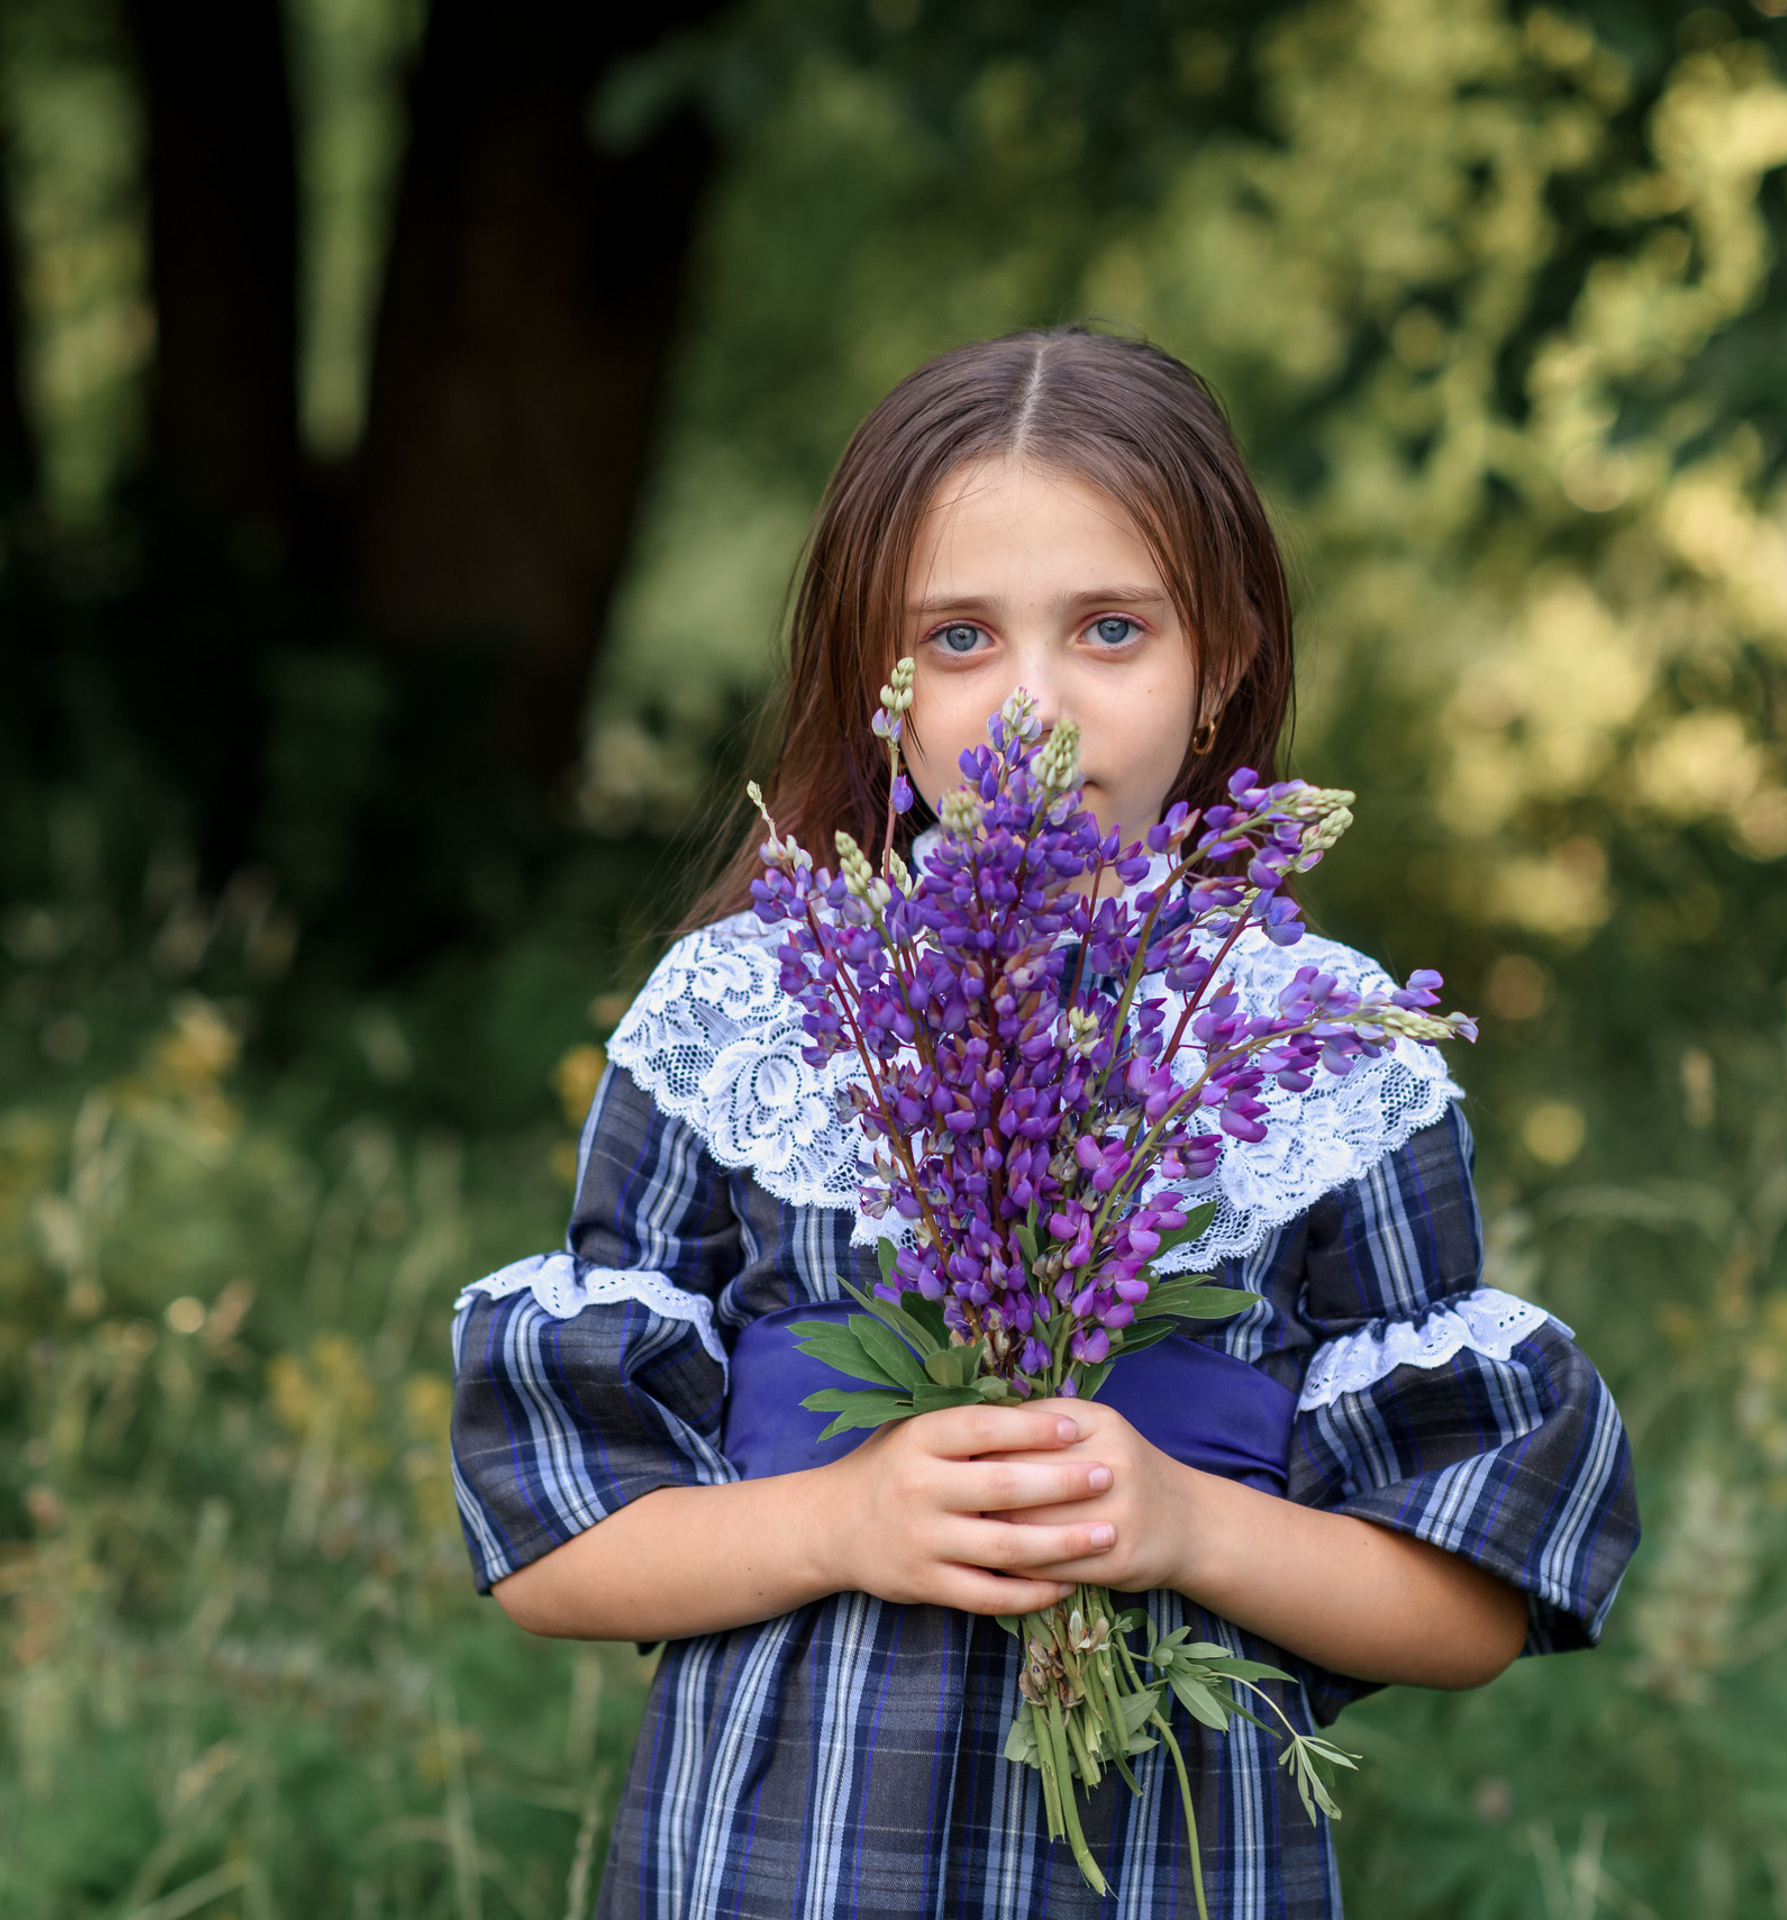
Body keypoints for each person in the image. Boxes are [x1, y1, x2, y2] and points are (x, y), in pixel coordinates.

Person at [449, 327, 1639, 1919]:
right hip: (785, 1863)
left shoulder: (1315, 1043)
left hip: (1168, 1865)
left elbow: (1468, 1606)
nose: (1034, 707)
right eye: (958, 637)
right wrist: (845, 1521)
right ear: (876, 687)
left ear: (1222, 662)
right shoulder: (756, 1010)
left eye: (1110, 629)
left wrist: (1188, 1526)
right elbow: (550, 1541)